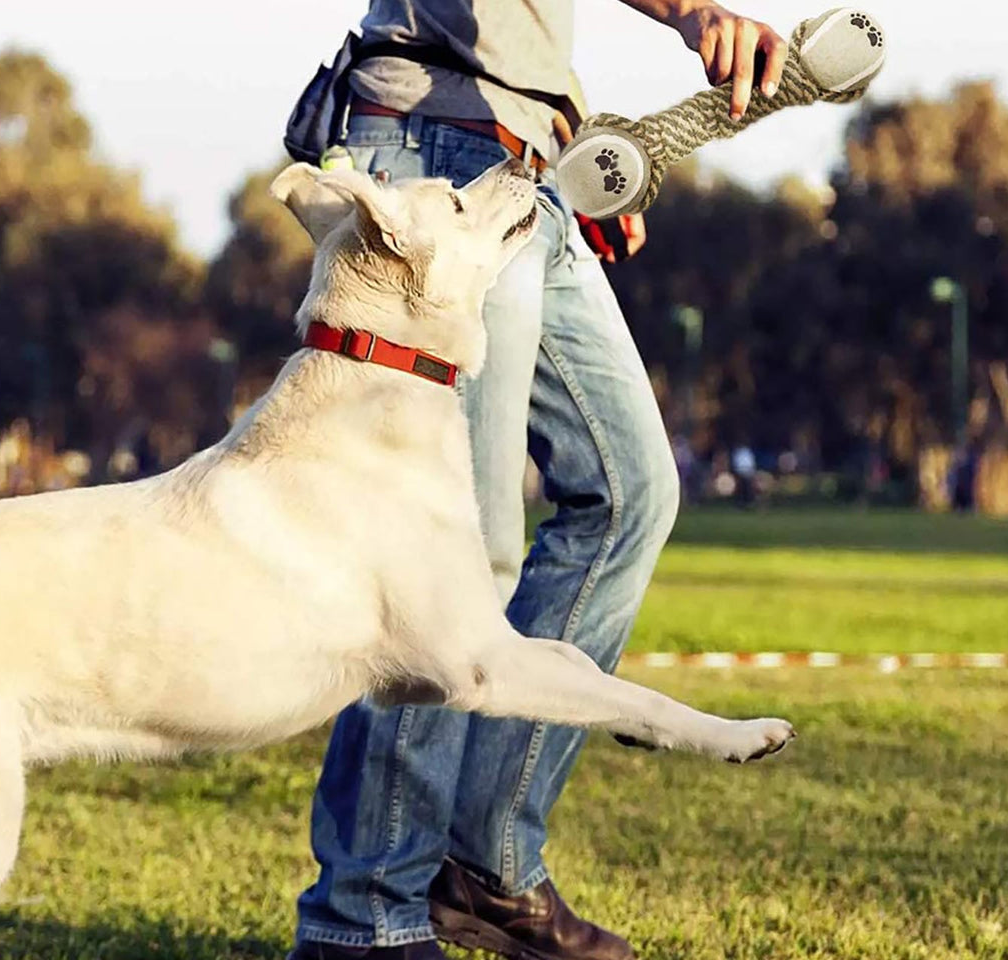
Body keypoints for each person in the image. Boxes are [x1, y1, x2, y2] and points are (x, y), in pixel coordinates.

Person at [288, 4, 788, 959]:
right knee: (454, 566)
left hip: (527, 165)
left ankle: (483, 863)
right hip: (430, 163)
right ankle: (364, 917)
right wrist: (691, 11)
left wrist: (580, 141)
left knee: (631, 491)